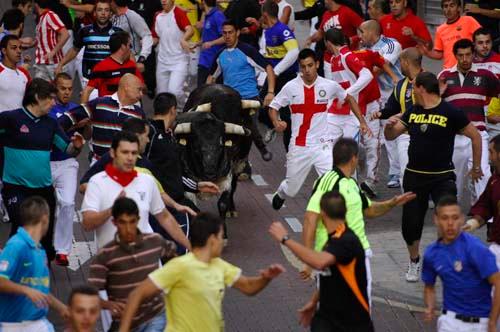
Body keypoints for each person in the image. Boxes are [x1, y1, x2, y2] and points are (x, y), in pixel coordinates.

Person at [384, 72, 483, 282]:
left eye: (414, 89)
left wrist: (476, 166)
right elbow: (392, 135)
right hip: (414, 176)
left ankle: (448, 259)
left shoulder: (451, 112)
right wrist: (388, 128)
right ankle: (414, 261)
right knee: (411, 223)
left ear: (421, 88)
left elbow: (475, 136)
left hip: (442, 177)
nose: (413, 94)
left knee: (449, 218)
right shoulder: (412, 111)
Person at [118, 212, 285, 332]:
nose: (222, 242)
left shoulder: (219, 265)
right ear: (212, 240)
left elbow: (248, 287)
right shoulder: (180, 267)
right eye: (221, 237)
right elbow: (137, 294)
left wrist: (266, 278)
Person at [302, 138, 416, 295]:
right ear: (354, 158)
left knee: (361, 311)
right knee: (334, 313)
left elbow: (368, 210)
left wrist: (392, 203)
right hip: (333, 256)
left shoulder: (352, 183)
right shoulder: (329, 181)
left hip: (360, 254)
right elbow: (310, 219)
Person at [269, 49, 365, 210]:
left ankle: (334, 217)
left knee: (333, 183)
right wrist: (276, 121)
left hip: (323, 145)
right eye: (303, 67)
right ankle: (281, 192)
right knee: (292, 190)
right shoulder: (290, 87)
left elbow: (348, 98)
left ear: (317, 65)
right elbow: (274, 106)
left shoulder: (329, 86)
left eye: (310, 65)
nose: (307, 70)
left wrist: (362, 121)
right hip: (299, 146)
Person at [0, 78, 83, 261]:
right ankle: (12, 265)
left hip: (44, 190)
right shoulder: (9, 119)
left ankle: (41, 270)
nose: (54, 103)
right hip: (15, 187)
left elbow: (68, 149)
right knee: (21, 225)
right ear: (37, 97)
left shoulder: (51, 124)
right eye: (51, 98)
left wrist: (76, 146)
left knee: (44, 238)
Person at [269, 191, 374, 331]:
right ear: (345, 211)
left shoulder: (347, 241)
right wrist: (313, 302)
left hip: (351, 323)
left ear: (322, 214)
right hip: (328, 319)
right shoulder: (334, 239)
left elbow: (320, 262)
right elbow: (330, 275)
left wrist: (285, 239)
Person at [81, 131, 191, 250]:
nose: (130, 158)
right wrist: (112, 210)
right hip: (114, 263)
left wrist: (190, 247)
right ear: (113, 153)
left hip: (148, 261)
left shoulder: (147, 180)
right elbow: (87, 224)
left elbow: (164, 217)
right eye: (125, 152)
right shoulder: (97, 182)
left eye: (134, 153)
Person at [89, 197, 177, 331]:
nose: (128, 228)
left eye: (132, 222)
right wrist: (107, 304)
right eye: (122, 222)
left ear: (138, 220)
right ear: (114, 222)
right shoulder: (105, 255)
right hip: (125, 322)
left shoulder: (155, 241)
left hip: (156, 315)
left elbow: (175, 260)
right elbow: (90, 293)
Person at [145, 93, 220, 243]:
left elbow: (173, 173)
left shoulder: (169, 135)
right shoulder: (149, 133)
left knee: (208, 230)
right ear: (173, 110)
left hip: (176, 200)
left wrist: (197, 186)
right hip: (160, 204)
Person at [422, 196, 500, 332]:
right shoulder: (431, 253)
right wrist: (430, 306)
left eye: (455, 218)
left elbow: (498, 283)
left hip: (479, 323)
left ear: (462, 219)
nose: (450, 223)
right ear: (436, 220)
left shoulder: (475, 249)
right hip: (449, 321)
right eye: (445, 218)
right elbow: (429, 286)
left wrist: (493, 322)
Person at [439, 39, 499, 205]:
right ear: (455, 55)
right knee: (454, 179)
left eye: (468, 55)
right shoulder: (444, 76)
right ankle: (452, 213)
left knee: (483, 174)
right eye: (461, 55)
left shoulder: (485, 75)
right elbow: (433, 105)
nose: (465, 59)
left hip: (479, 133)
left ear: (473, 54)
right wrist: (439, 93)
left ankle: (487, 217)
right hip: (454, 136)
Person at [208, 20, 275, 161]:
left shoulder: (247, 50)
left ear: (237, 33)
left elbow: (268, 67)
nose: (227, 36)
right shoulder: (220, 55)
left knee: (246, 120)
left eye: (230, 32)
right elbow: (210, 77)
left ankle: (261, 148)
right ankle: (238, 163)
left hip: (249, 98)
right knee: (231, 132)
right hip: (230, 100)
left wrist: (270, 92)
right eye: (224, 33)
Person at [0, 196, 69, 330]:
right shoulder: (16, 245)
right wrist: (26, 290)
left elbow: (38, 290)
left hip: (38, 323)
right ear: (45, 218)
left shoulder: (40, 251)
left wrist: (62, 308)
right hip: (13, 325)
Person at [358, 19, 404, 189]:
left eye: (362, 32)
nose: (360, 36)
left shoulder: (391, 45)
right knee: (384, 135)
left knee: (396, 132)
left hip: (395, 94)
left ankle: (397, 172)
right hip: (377, 96)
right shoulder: (365, 49)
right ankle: (393, 172)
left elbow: (376, 69)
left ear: (371, 32)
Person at [58, 73, 145, 162]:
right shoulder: (100, 103)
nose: (141, 94)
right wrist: (53, 133)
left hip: (125, 166)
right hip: (98, 163)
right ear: (127, 87)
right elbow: (70, 117)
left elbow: (143, 142)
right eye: (139, 89)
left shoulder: (139, 114)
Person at [372, 47, 423, 182]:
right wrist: (380, 113)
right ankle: (410, 201)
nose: (399, 66)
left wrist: (403, 114)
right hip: (405, 136)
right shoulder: (401, 84)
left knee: (425, 173)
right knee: (406, 175)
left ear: (406, 62)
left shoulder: (428, 81)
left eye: (400, 62)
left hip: (426, 135)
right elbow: (392, 108)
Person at [56, 0, 124, 91]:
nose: (103, 13)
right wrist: (61, 64)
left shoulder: (118, 32)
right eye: (100, 10)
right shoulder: (85, 31)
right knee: (88, 105)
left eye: (106, 10)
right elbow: (74, 50)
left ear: (111, 14)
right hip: (90, 80)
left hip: (112, 80)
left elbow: (127, 53)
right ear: (95, 13)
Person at [50, 72, 80, 267]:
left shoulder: (77, 109)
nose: (67, 92)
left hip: (67, 163)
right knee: (43, 206)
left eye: (70, 89)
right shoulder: (47, 108)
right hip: (44, 163)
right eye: (63, 88)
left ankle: (62, 250)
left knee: (68, 203)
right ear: (55, 88)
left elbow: (84, 135)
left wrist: (83, 133)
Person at [323, 29, 373, 145]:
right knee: (325, 147)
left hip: (352, 113)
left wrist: (348, 93)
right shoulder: (333, 59)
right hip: (336, 111)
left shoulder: (347, 56)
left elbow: (367, 75)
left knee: (349, 151)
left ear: (328, 42)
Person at [305, 0, 363, 80]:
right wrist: (310, 40)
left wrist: (352, 39)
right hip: (329, 58)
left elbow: (365, 30)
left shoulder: (347, 12)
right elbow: (320, 34)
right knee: (331, 85)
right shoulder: (326, 14)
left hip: (346, 58)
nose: (324, 2)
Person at [81, 31, 144, 103]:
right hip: (109, 110)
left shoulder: (131, 65)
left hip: (130, 109)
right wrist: (84, 112)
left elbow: (142, 87)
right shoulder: (102, 67)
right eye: (130, 46)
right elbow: (86, 91)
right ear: (123, 47)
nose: (130, 49)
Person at [466, 134, 500, 267]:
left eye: (491, 152)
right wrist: (469, 226)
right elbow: (485, 207)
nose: (489, 158)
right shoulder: (494, 181)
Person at [151, 0, 194, 104]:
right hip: (162, 61)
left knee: (174, 92)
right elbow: (155, 38)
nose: (163, 1)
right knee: (162, 96)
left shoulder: (178, 13)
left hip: (179, 61)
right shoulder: (158, 16)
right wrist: (145, 42)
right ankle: (169, 117)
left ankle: (187, 105)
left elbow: (190, 30)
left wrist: (183, 40)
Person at [421, 0, 481, 69]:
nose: (448, 10)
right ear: (442, 10)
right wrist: (426, 52)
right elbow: (439, 54)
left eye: (452, 6)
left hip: (469, 68)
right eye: (445, 6)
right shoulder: (440, 30)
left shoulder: (469, 21)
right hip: (449, 71)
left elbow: (482, 38)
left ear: (459, 8)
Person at [110, 0, 153, 71]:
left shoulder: (132, 16)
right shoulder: (113, 17)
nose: (110, 4)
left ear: (114, 3)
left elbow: (147, 36)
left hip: (132, 59)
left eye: (111, 1)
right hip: (116, 59)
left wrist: (142, 57)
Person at [33, 0, 69, 81]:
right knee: (40, 91)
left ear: (36, 5)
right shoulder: (41, 19)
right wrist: (30, 44)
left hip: (52, 64)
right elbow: (43, 40)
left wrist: (53, 52)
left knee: (55, 91)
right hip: (41, 64)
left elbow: (65, 34)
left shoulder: (50, 15)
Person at [197, 0, 225, 87]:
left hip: (214, 62)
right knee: (200, 91)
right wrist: (197, 43)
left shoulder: (218, 15)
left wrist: (211, 43)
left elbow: (226, 37)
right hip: (204, 60)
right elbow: (208, 36)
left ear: (203, 2)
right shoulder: (207, 16)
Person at [0, 35, 31, 113]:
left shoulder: (24, 73)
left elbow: (30, 98)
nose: (19, 51)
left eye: (20, 48)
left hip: (18, 123)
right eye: (14, 48)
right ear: (4, 51)